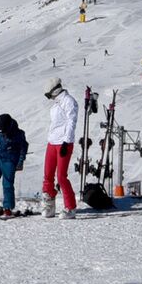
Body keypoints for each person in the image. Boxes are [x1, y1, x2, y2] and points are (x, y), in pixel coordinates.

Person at [41, 79, 83, 216]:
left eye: (49, 95)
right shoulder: (57, 103)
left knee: (61, 176)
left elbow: (72, 121)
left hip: (63, 143)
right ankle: (49, 205)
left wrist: (66, 141)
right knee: (48, 174)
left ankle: (70, 207)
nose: (49, 98)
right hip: (52, 142)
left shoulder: (69, 101)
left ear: (55, 91)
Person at [0, 113, 26, 216]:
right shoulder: (1, 131)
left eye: (2, 131)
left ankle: (8, 207)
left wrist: (20, 162)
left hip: (10, 161)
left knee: (7, 183)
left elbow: (23, 148)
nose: (0, 133)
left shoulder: (18, 134)